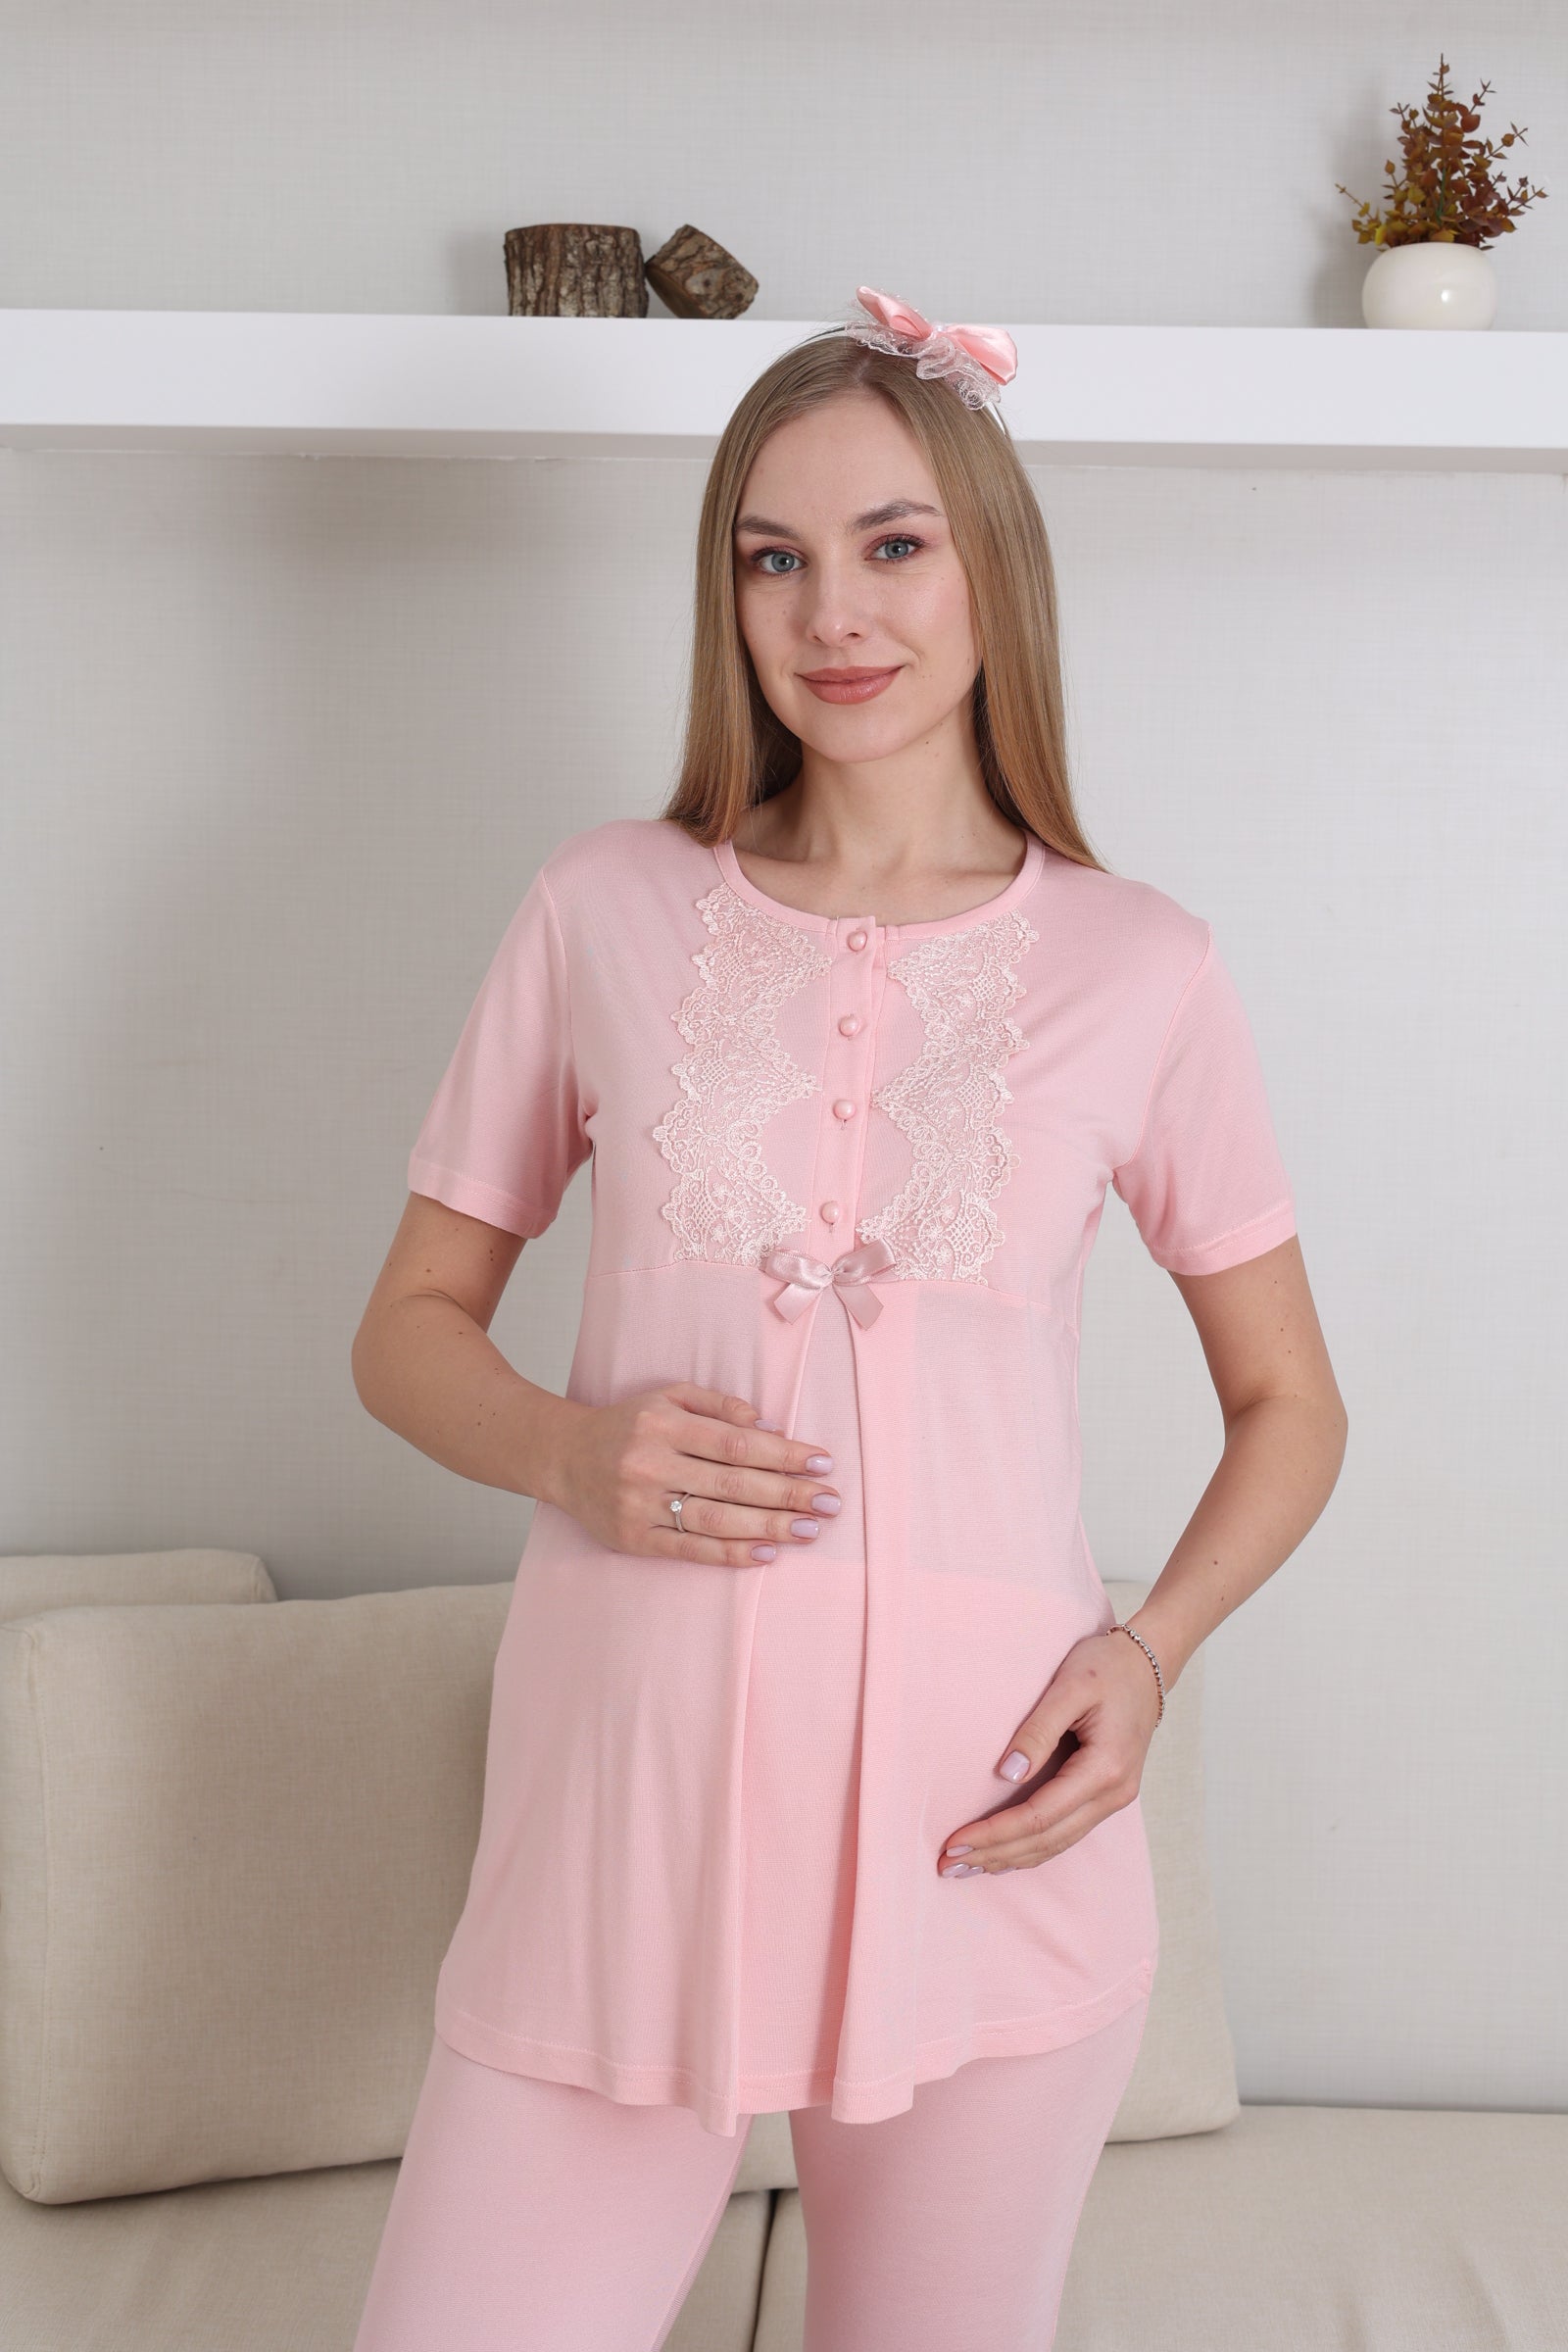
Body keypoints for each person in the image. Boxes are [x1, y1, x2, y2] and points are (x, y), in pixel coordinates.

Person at [349, 286, 1348, 2351]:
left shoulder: (1141, 968)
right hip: (621, 1822)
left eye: (893, 544)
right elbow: (409, 1325)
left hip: (979, 1832)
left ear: (991, 568)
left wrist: (1146, 1652)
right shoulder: (605, 906)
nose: (832, 614)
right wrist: (565, 1448)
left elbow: (1290, 1404)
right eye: (772, 558)